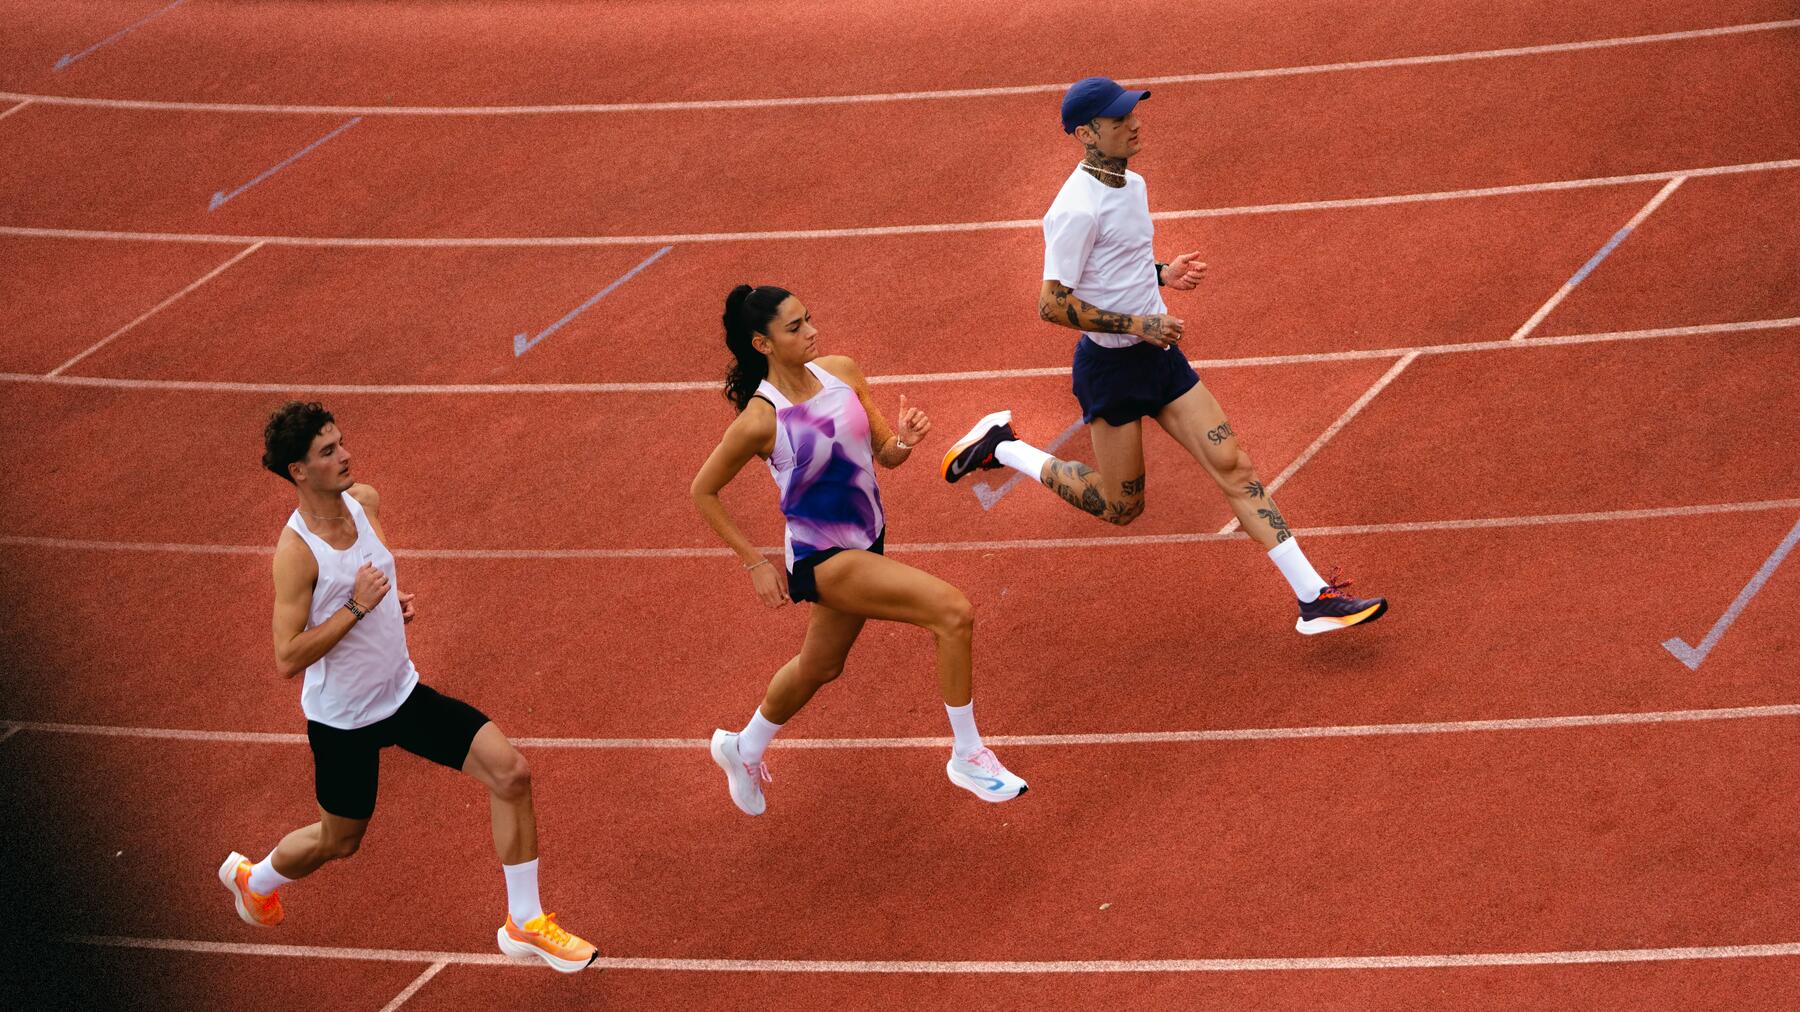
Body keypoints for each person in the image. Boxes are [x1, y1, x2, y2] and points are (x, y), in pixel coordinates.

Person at [943, 77, 1388, 635]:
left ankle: (1312, 597)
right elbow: (1051, 304)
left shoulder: (1134, 185)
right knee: (1120, 507)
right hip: (1111, 371)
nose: (1134, 122)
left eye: (1132, 111)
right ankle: (1003, 448)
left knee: (1236, 468)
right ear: (1085, 133)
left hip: (1160, 359)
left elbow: (1117, 268)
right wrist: (1140, 323)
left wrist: (1162, 275)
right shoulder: (1073, 210)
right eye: (1118, 118)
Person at [218, 401, 598, 972]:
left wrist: (389, 600)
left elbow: (379, 570)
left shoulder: (364, 503)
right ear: (298, 471)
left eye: (341, 442)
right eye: (327, 451)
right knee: (339, 842)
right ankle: (255, 878)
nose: (345, 455)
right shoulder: (297, 554)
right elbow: (286, 657)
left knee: (512, 772)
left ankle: (525, 921)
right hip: (343, 720)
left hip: (402, 695)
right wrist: (357, 606)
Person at [692, 285, 1027, 815]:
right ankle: (967, 753)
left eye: (809, 320)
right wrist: (755, 562)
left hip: (868, 539)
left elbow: (883, 455)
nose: (811, 332)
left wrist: (906, 443)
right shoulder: (761, 420)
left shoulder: (842, 372)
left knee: (820, 666)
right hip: (823, 557)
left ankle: (742, 746)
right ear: (762, 343)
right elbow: (702, 491)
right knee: (953, 613)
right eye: (795, 327)